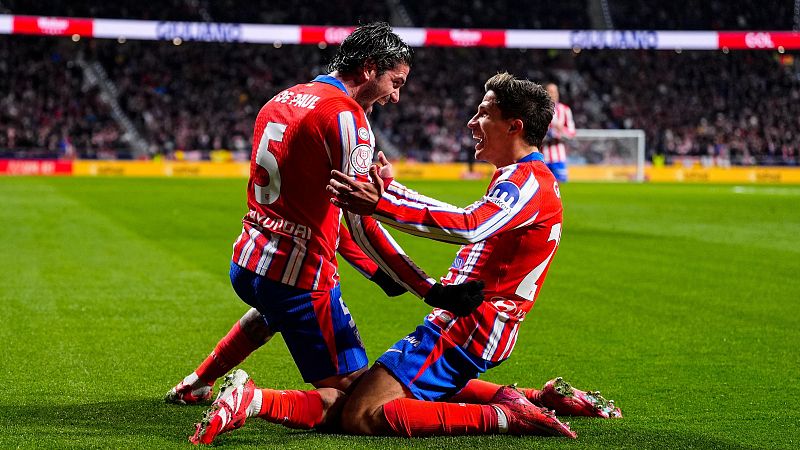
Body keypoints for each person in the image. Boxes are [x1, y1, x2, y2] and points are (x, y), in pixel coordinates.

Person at [192, 73, 621, 444]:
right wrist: (389, 200)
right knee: (394, 391)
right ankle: (536, 397)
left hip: (475, 323)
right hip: (462, 317)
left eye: (483, 114)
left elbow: (469, 225)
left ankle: (507, 416)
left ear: (514, 126)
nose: (472, 122)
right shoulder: (518, 176)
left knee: (358, 414)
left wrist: (383, 200)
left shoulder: (530, 182)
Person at [164, 22, 486, 441]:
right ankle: (252, 399)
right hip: (299, 280)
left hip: (248, 262)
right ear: (370, 68)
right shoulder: (347, 118)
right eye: (395, 82)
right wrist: (429, 290)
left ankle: (197, 382)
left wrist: (376, 274)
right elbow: (359, 219)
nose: (395, 96)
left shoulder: (280, 99)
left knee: (272, 311)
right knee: (360, 401)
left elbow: (324, 213)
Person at [541, 82, 575, 183]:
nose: (553, 94)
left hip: (558, 157)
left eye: (555, 92)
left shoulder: (565, 110)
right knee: (543, 187)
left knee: (558, 189)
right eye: (550, 91)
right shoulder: (540, 110)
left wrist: (562, 131)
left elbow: (571, 133)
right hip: (543, 157)